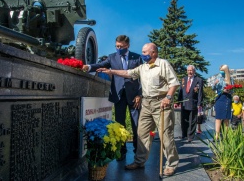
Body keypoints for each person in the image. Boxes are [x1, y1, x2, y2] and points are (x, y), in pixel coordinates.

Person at [97, 43, 180, 176]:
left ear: (153, 53)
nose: (143, 55)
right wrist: (111, 71)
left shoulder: (163, 64)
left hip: (161, 103)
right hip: (147, 103)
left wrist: (168, 97)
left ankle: (171, 164)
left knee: (166, 135)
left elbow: (174, 83)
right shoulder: (143, 67)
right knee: (142, 134)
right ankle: (139, 161)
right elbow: (127, 73)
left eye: (145, 52)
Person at [82, 35, 143, 160]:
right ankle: (122, 151)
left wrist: (140, 94)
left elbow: (143, 78)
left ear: (128, 46)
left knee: (136, 125)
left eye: (121, 47)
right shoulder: (112, 57)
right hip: (118, 95)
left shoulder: (137, 58)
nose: (118, 48)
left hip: (134, 97)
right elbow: (100, 64)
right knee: (120, 125)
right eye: (117, 46)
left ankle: (138, 151)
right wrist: (88, 67)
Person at [177, 65, 203, 141]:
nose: (189, 72)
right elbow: (180, 90)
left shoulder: (198, 80)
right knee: (184, 119)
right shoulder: (183, 79)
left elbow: (200, 93)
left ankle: (190, 136)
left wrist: (199, 103)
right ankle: (184, 135)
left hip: (193, 102)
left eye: (191, 70)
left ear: (194, 71)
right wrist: (179, 100)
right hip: (184, 103)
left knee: (192, 120)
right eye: (188, 70)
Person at [212, 64, 233, 140]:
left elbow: (232, 89)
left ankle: (225, 135)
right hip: (220, 98)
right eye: (220, 70)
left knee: (226, 118)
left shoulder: (230, 79)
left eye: (222, 70)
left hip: (227, 98)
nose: (221, 71)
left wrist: (228, 90)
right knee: (218, 117)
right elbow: (213, 88)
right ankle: (217, 135)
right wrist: (215, 83)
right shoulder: (218, 77)